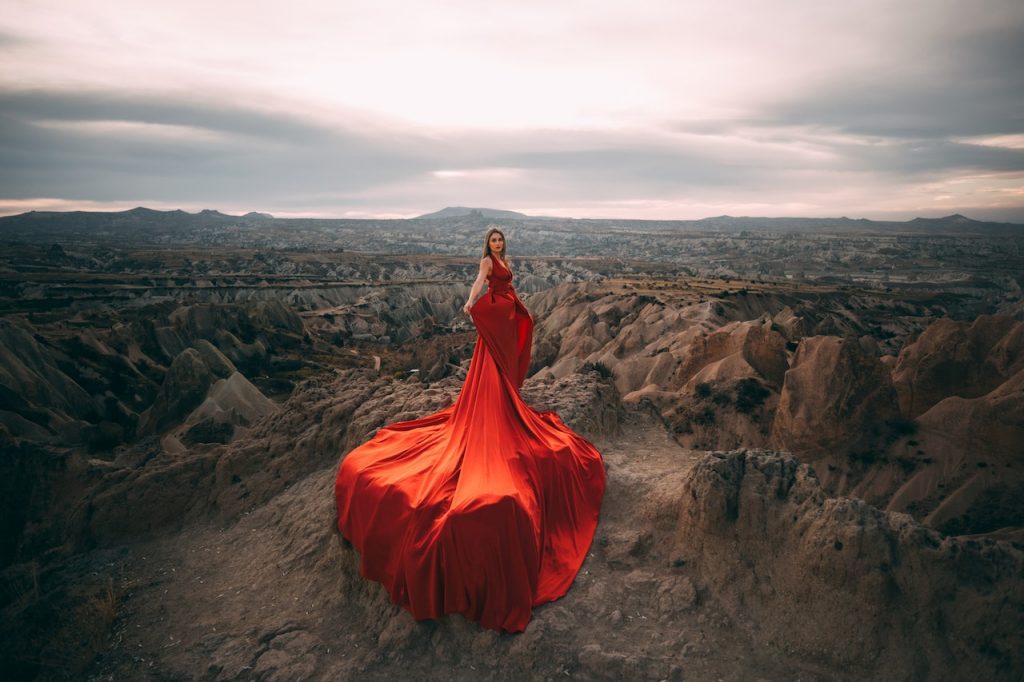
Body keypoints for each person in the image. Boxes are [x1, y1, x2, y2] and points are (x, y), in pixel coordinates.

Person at [334, 226, 606, 633]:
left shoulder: (506, 263)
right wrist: (468, 304)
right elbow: (479, 283)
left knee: (499, 366)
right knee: (491, 364)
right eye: (492, 241)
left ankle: (501, 401)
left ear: (503, 244)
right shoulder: (485, 263)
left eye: (500, 241)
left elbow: (505, 286)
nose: (497, 246)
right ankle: (493, 405)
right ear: (487, 244)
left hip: (505, 312)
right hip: (492, 314)